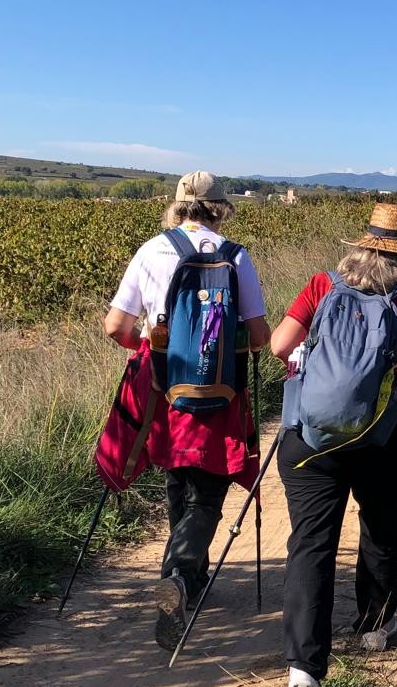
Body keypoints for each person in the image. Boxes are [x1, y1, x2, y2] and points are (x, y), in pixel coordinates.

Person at [269, 204, 397, 687]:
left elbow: (279, 344)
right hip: (382, 437)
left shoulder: (322, 286)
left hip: (311, 438)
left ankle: (303, 669)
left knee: (311, 543)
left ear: (361, 247)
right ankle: (374, 626)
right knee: (381, 525)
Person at [104, 171, 271, 649]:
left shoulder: (151, 250)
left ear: (177, 206)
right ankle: (179, 575)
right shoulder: (235, 255)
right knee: (207, 493)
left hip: (163, 387)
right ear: (221, 208)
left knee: (177, 475)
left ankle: (187, 580)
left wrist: (152, 349)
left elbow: (116, 326)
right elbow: (260, 336)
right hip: (220, 390)